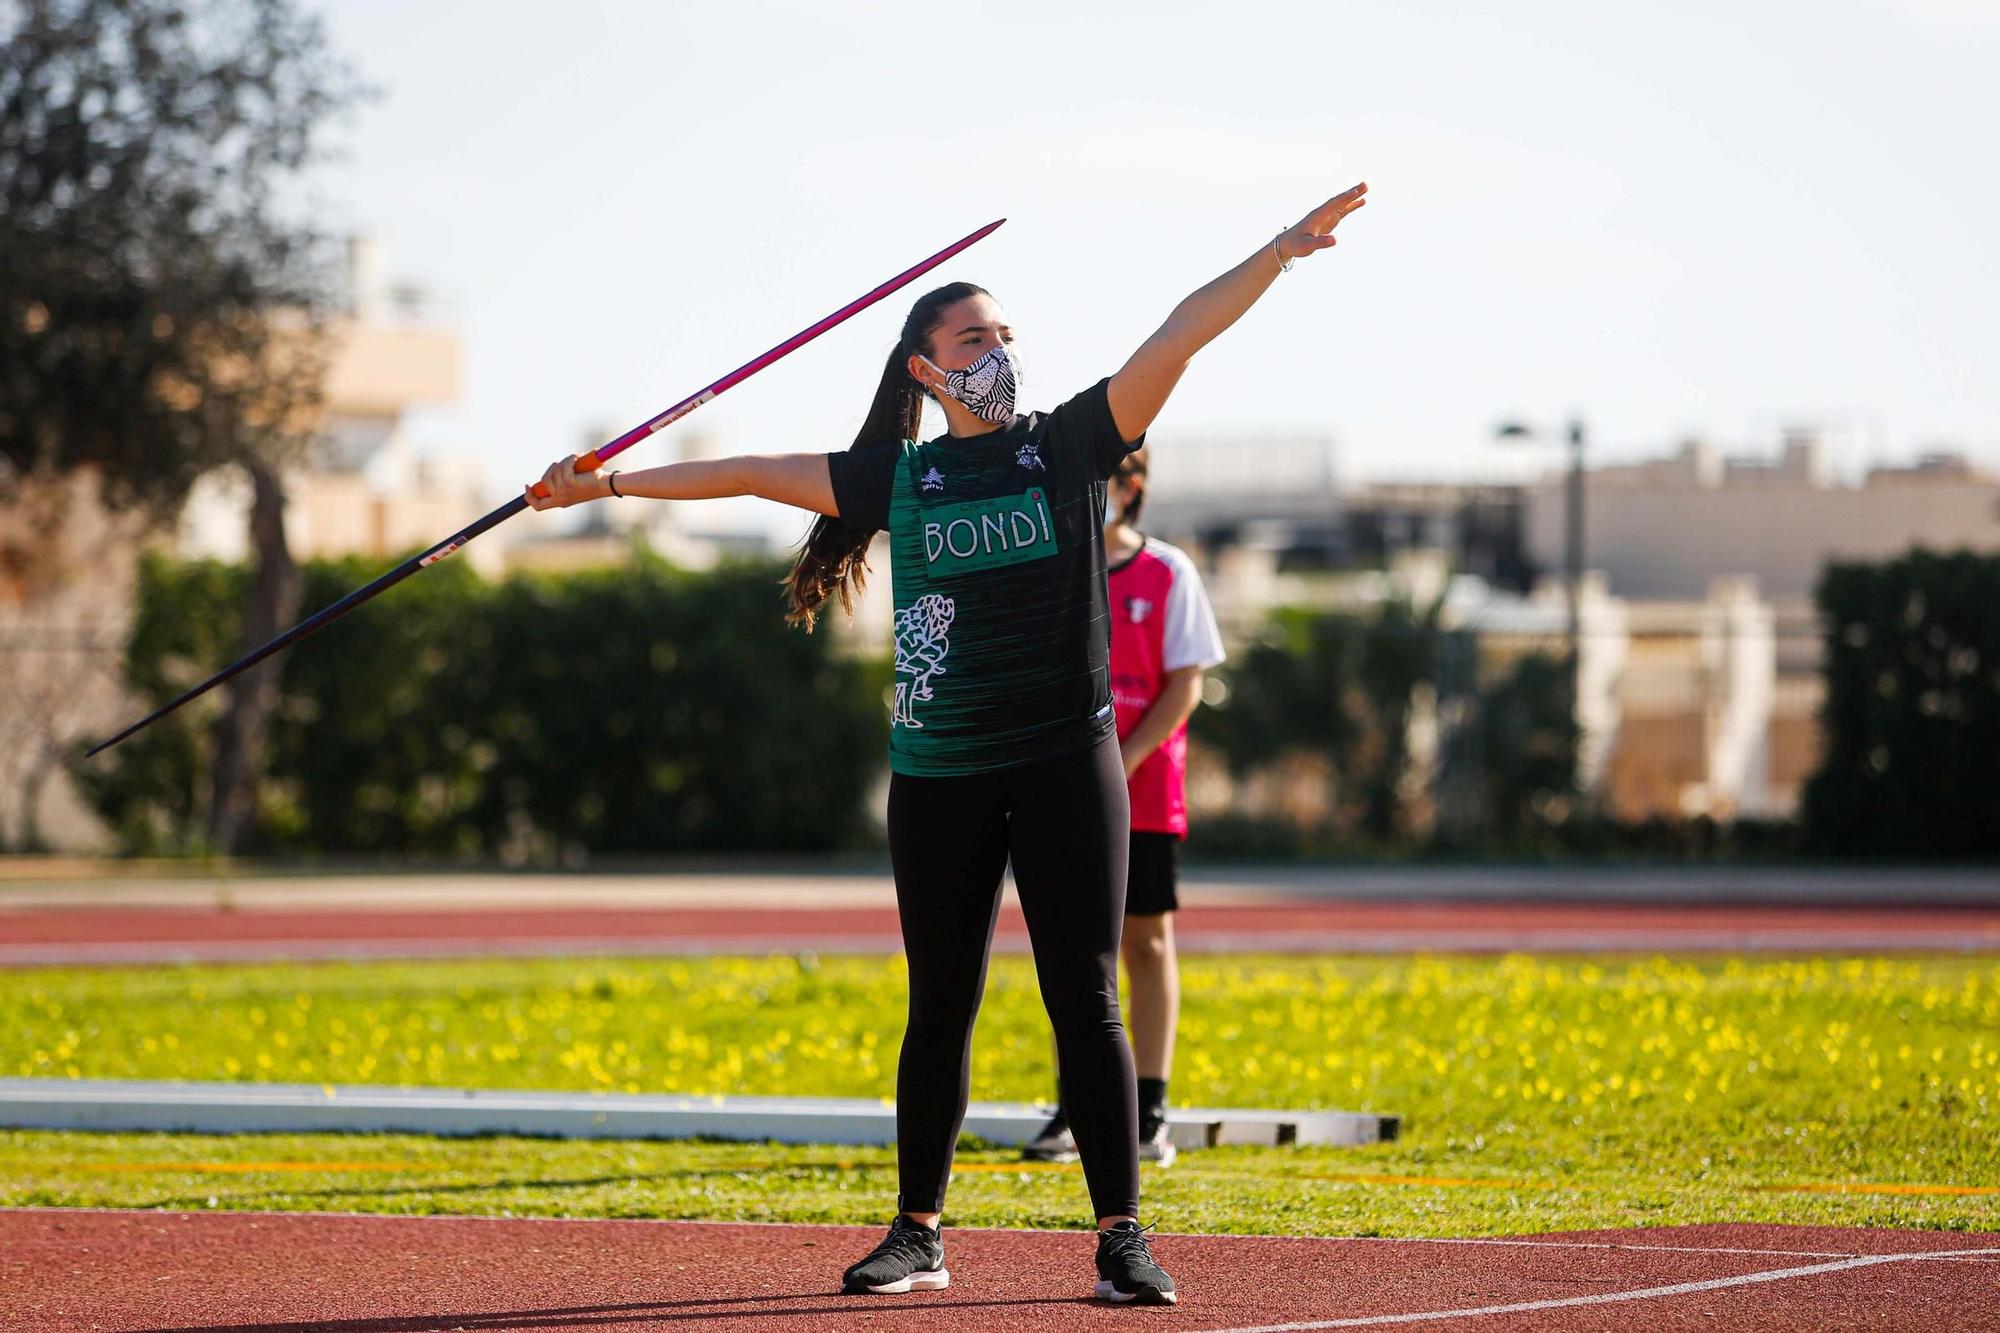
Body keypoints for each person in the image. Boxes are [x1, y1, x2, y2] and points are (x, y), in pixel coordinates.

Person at [526, 184, 1368, 1307]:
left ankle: (1120, 1237)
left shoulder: (1067, 446)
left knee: (1089, 998)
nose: (998, 352)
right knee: (940, 1002)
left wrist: (1278, 252)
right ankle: (917, 1231)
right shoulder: (900, 477)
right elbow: (742, 472)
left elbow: (1177, 334)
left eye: (1005, 336)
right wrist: (603, 482)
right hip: (938, 774)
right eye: (975, 338)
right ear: (924, 367)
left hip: (1066, 762)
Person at [1022, 445, 1224, 1170]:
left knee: (1146, 942)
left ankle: (1149, 1107)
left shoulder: (1169, 571)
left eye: (1095, 478)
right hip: (1059, 789)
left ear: (1130, 485)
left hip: (1142, 793)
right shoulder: (1048, 566)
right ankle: (1073, 1105)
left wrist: (1123, 760)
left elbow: (1185, 683)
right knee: (1072, 951)